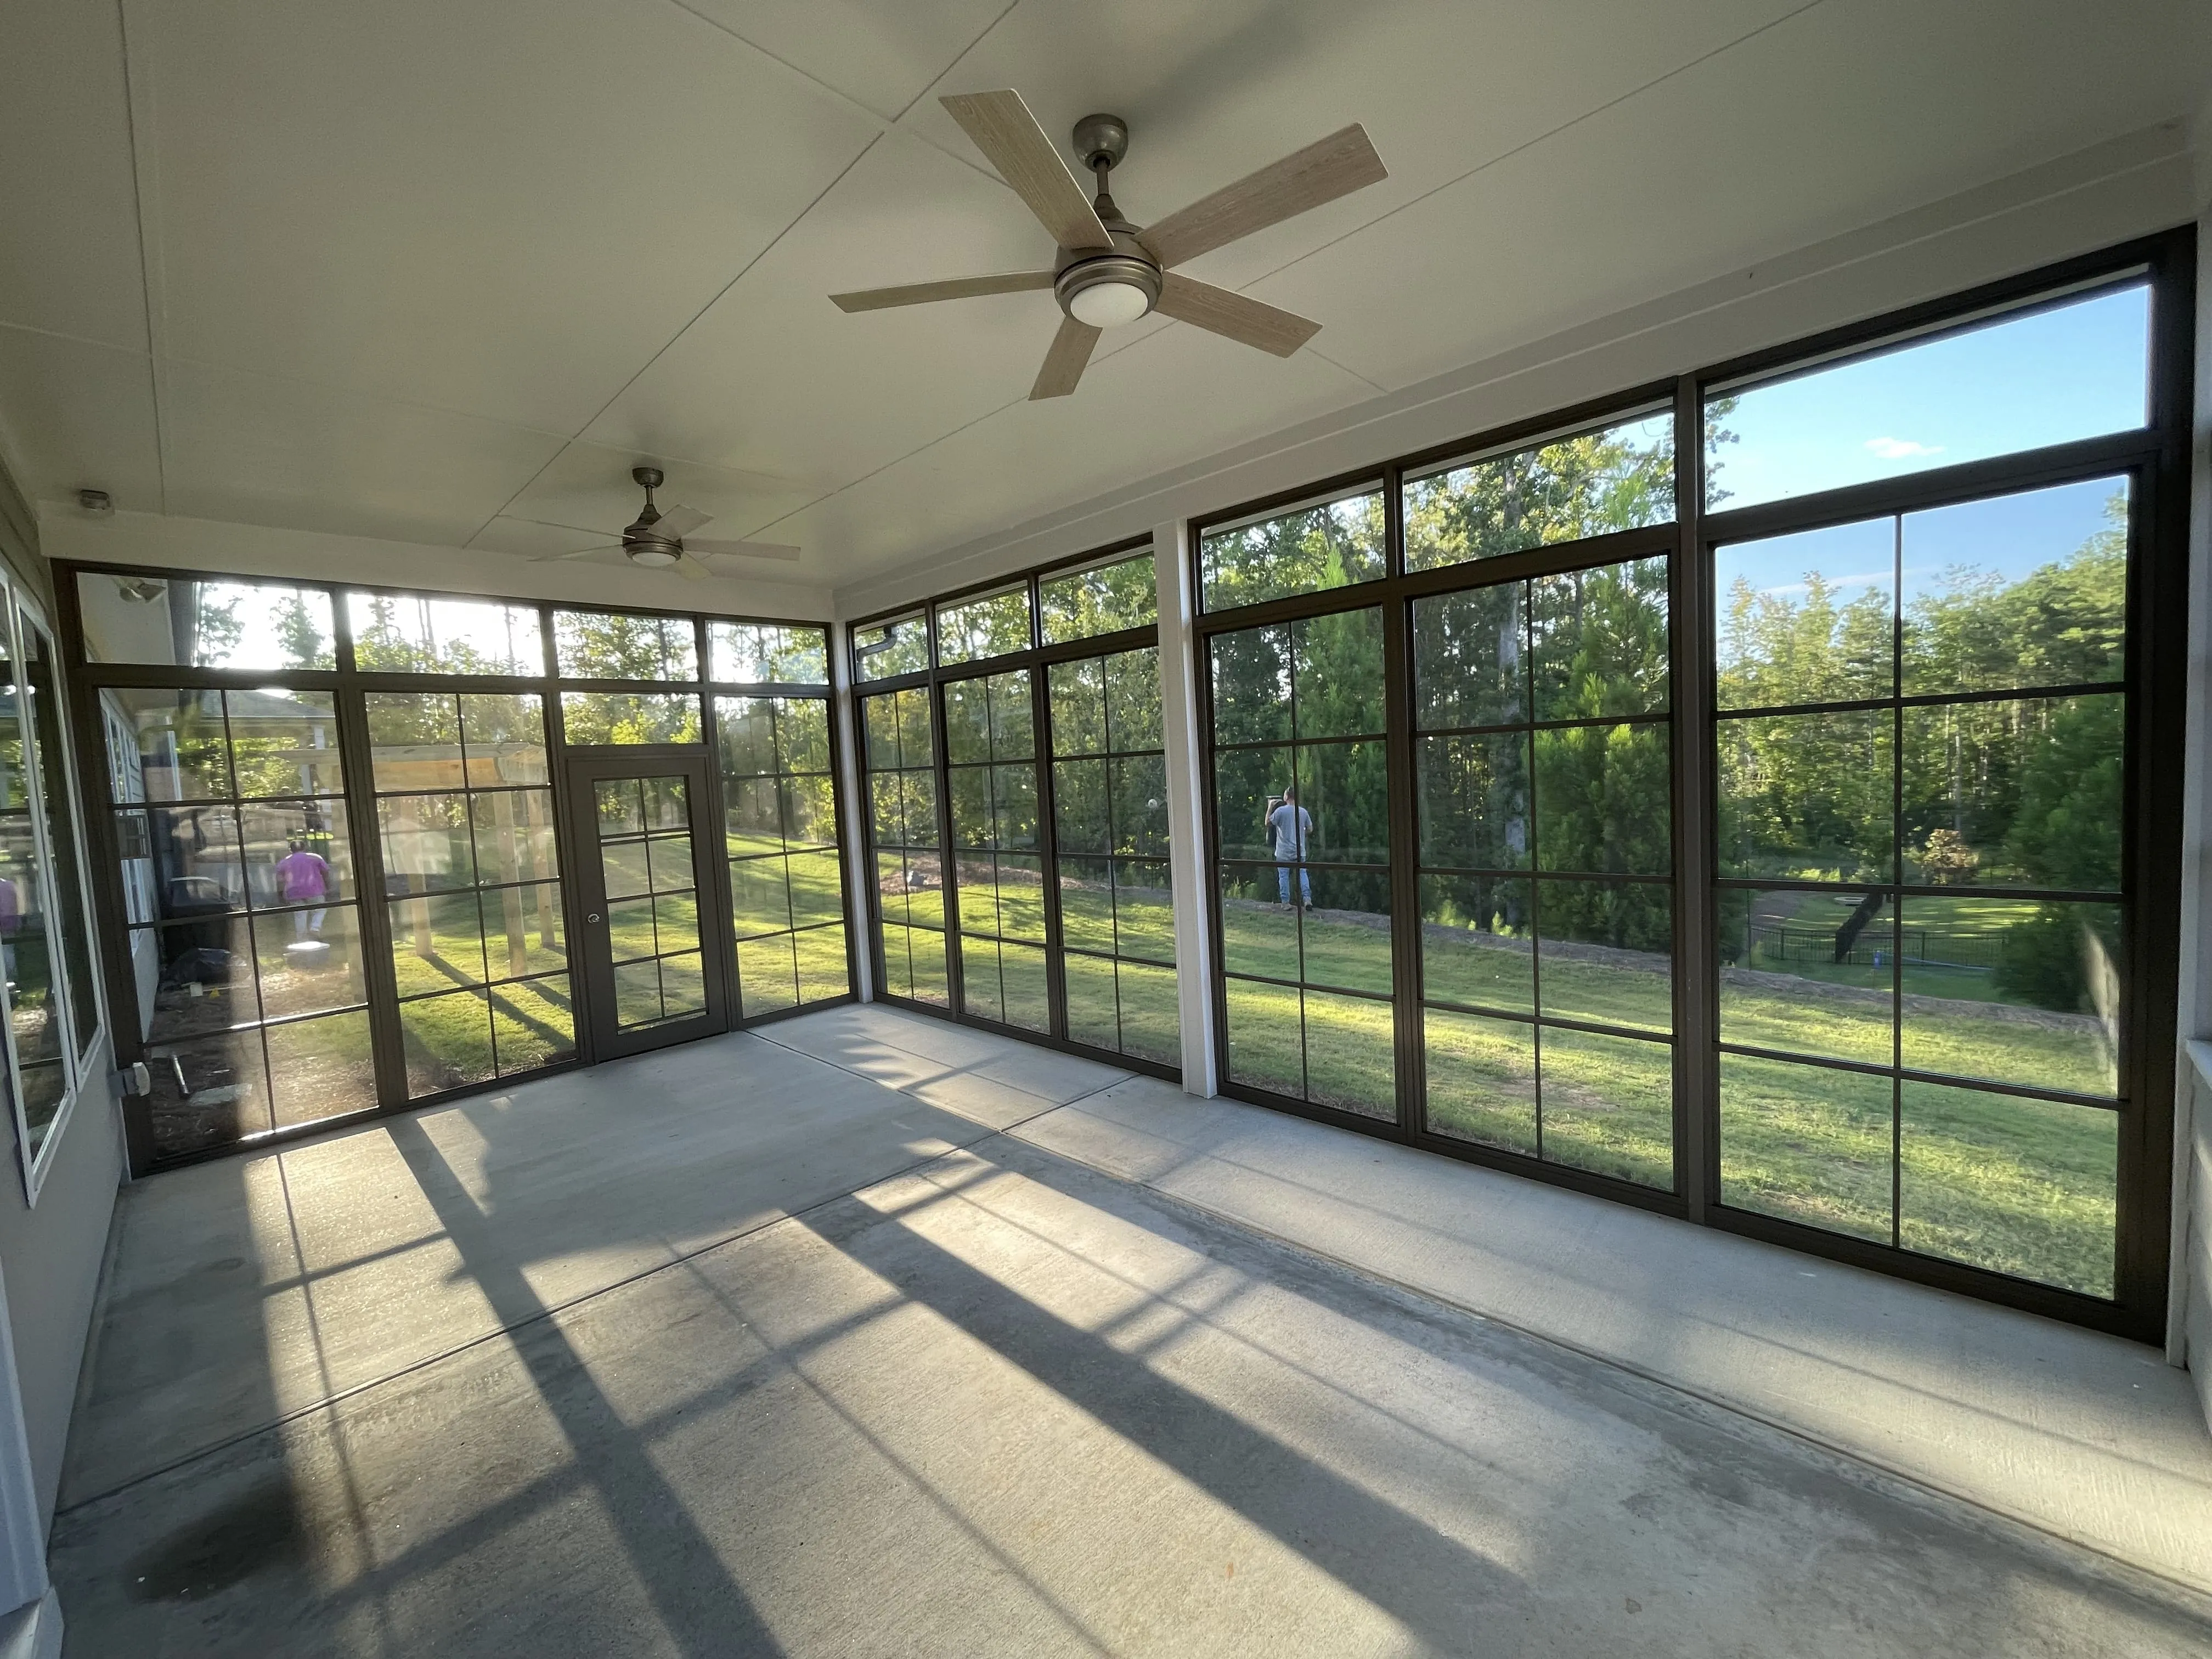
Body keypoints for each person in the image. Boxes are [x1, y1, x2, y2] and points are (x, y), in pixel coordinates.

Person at [1265, 785, 1312, 910]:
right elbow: (1310, 829)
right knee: (1302, 873)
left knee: (1284, 876)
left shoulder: (1280, 812)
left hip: (1283, 852)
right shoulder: (1303, 812)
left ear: (1286, 797)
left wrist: (1270, 807)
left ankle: (1286, 902)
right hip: (1299, 850)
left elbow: (1267, 823)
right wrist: (1301, 833)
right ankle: (1307, 900)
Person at [274, 838, 332, 938]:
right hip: (314, 890)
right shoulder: (315, 858)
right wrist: (328, 887)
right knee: (320, 909)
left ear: (290, 850)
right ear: (305, 848)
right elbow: (326, 873)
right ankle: (315, 927)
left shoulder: (284, 862)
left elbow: (280, 880)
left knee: (300, 914)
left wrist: (280, 895)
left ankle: (301, 938)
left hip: (294, 892)